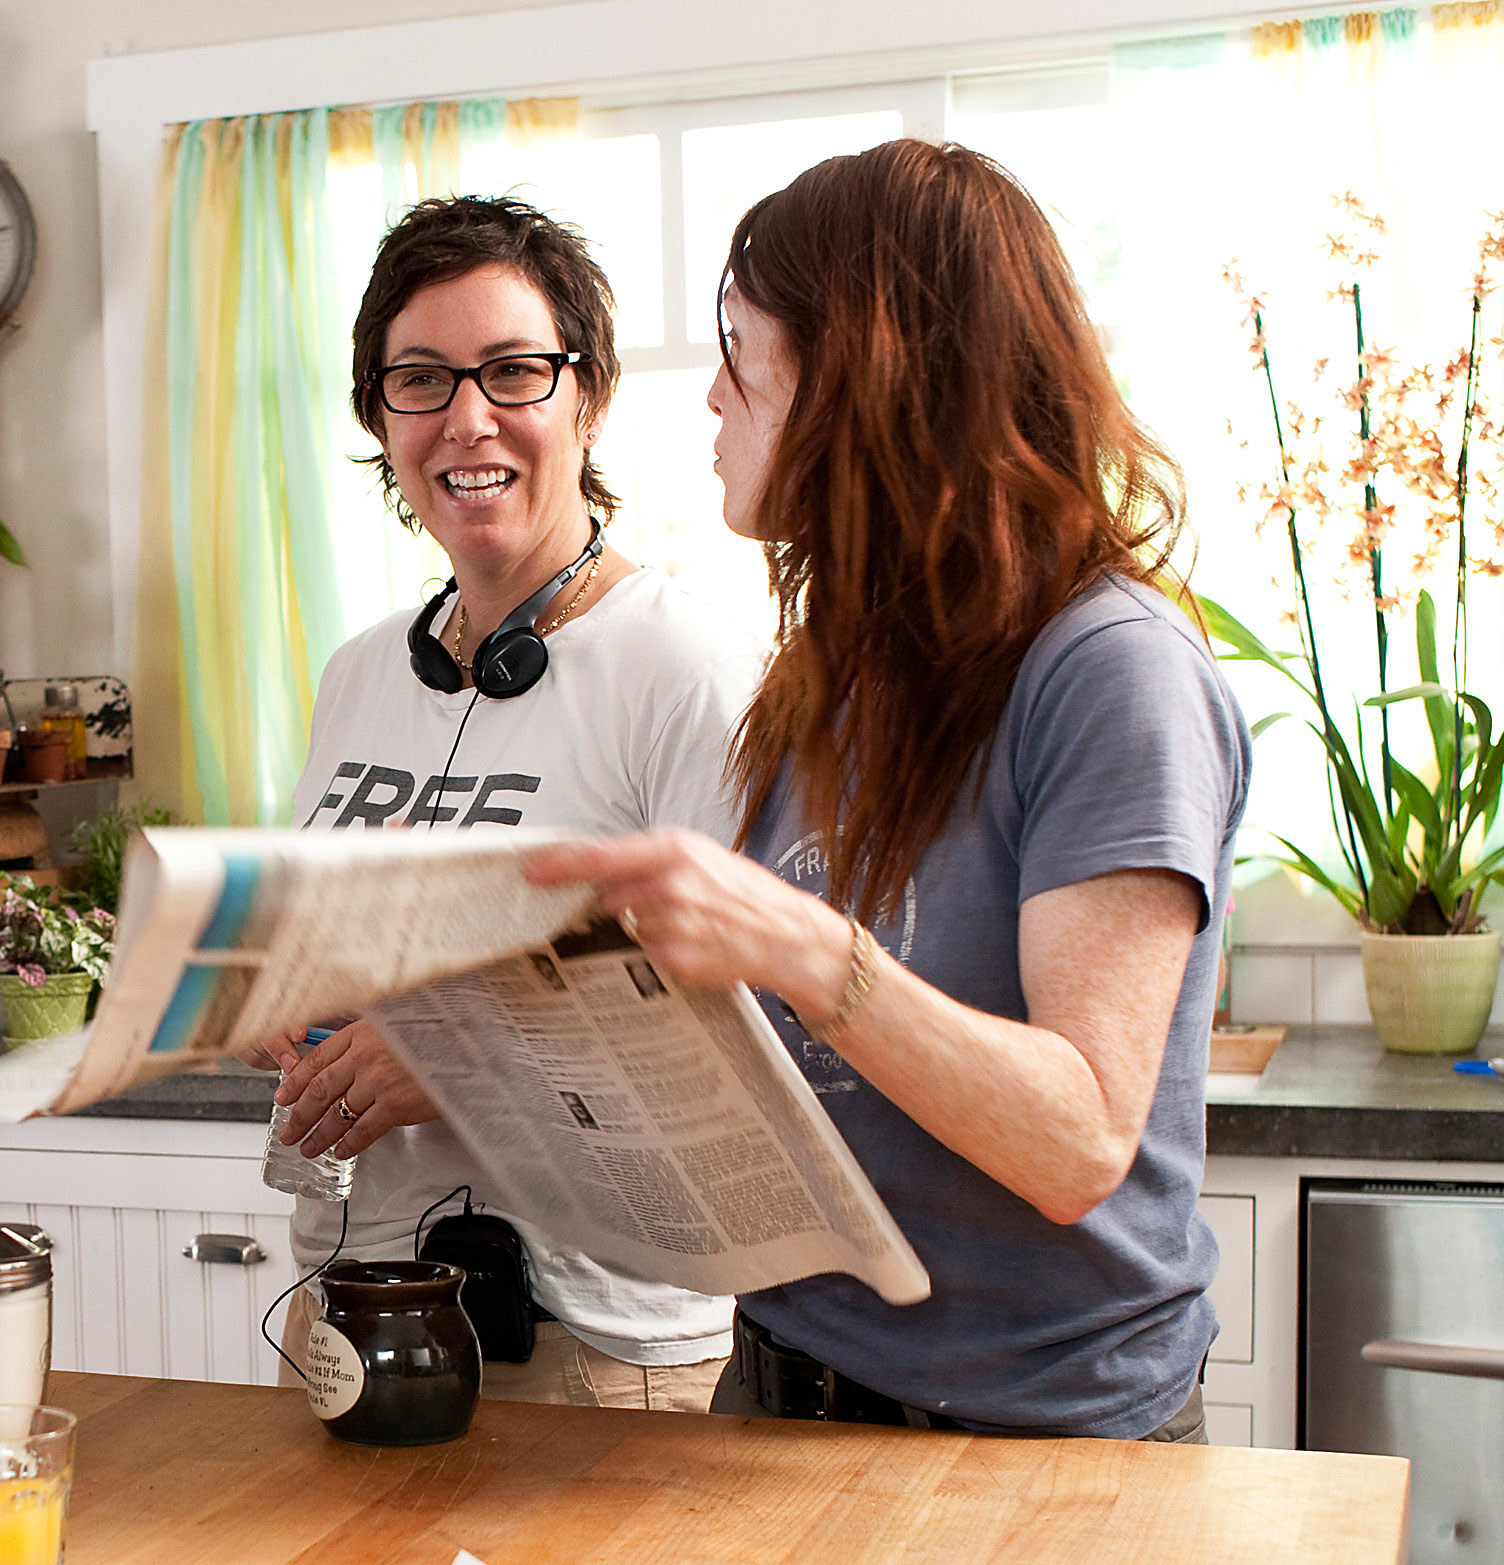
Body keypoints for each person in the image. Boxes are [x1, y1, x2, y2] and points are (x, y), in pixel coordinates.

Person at [528, 139, 1248, 1440]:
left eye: (740, 348)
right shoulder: (830, 672)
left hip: (1041, 1435)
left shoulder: (1110, 670)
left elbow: (1080, 1140)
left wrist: (803, 946)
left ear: (867, 372)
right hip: (789, 1381)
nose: (712, 401)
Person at [257, 195, 764, 1412]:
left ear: (586, 397)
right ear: (378, 418)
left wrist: (461, 1060)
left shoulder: (688, 668)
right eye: (420, 379)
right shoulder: (362, 672)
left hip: (591, 1341)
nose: (465, 418)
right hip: (353, 1296)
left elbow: (745, 1046)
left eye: (513, 373)